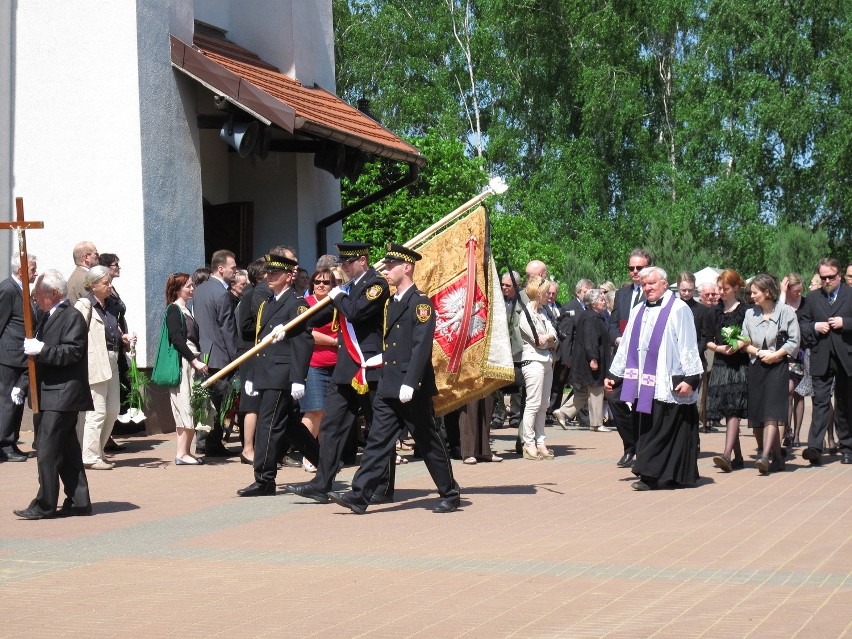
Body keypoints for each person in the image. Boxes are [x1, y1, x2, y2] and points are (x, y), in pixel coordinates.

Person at [328, 244, 461, 514]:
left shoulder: (420, 303)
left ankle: (450, 492)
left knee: (427, 440)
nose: (386, 271)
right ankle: (360, 495)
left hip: (411, 388)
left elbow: (421, 347)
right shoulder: (390, 302)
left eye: (391, 267)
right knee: (377, 441)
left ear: (407, 268)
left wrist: (410, 383)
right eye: (385, 267)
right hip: (389, 383)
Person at [284, 242, 393, 504]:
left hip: (369, 367)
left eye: (348, 262)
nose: (344, 267)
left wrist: (337, 295)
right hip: (346, 367)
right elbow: (320, 315)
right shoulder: (348, 289)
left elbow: (354, 312)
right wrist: (290, 326)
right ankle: (323, 482)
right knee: (332, 425)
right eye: (342, 263)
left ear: (363, 260)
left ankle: (383, 487)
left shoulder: (377, 285)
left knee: (378, 429)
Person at [605, 266, 703, 491]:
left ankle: (652, 475)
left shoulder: (679, 309)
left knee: (666, 429)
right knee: (648, 427)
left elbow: (688, 344)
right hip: (644, 382)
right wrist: (614, 374)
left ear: (664, 284)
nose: (647, 288)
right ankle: (663, 474)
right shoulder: (639, 309)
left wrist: (691, 378)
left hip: (669, 381)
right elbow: (627, 344)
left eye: (652, 283)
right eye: (644, 284)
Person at [13, 270, 93, 519]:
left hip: (63, 394)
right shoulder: (48, 317)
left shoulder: (72, 316)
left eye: (38, 293)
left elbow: (72, 352)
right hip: (50, 394)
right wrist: (23, 384)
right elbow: (36, 360)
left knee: (46, 449)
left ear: (54, 293)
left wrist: (43, 349)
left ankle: (45, 503)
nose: (35, 298)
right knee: (67, 449)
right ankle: (79, 500)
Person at [237, 251, 317, 496]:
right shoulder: (267, 304)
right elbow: (260, 344)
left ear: (288, 276)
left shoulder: (296, 304)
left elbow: (304, 342)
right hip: (266, 373)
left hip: (282, 375)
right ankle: (326, 463)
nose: (269, 276)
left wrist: (297, 378)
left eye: (275, 273)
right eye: (268, 272)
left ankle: (264, 479)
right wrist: (252, 375)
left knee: (268, 426)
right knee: (290, 426)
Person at [738, 274, 800, 474]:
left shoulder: (786, 312)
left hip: (778, 367)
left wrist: (776, 355)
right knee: (758, 414)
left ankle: (765, 456)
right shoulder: (750, 314)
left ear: (767, 292)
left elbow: (794, 341)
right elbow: (743, 340)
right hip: (757, 367)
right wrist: (757, 352)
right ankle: (779, 458)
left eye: (755, 292)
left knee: (772, 412)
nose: (751, 296)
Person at [75, 266, 131, 470]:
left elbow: (112, 328)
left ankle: (97, 450)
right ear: (93, 285)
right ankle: (89, 455)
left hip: (113, 358)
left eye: (110, 282)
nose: (110, 286)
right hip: (94, 361)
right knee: (97, 410)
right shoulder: (84, 305)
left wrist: (123, 337)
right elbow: (76, 334)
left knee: (113, 409)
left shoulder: (110, 305)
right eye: (105, 283)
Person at [799, 258, 852, 466]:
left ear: (839, 276)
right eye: (823, 278)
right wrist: (815, 327)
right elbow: (803, 324)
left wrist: (845, 323)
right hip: (821, 356)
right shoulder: (812, 298)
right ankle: (815, 447)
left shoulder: (850, 294)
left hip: (846, 357)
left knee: (845, 404)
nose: (827, 281)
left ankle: (847, 447)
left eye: (831, 277)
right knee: (820, 401)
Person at [606, 248, 653, 468]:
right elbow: (613, 323)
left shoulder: (653, 292)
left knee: (642, 403)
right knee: (615, 398)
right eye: (631, 268)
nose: (634, 272)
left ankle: (644, 449)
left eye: (639, 268)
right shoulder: (622, 294)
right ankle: (629, 445)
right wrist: (618, 340)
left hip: (646, 360)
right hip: (624, 358)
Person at [192, 250, 238, 457]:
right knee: (219, 402)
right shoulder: (222, 294)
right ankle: (213, 443)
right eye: (232, 268)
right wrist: (235, 357)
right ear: (221, 268)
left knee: (205, 402)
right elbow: (227, 329)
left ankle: (203, 441)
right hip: (220, 356)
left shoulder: (199, 290)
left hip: (203, 353)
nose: (235, 272)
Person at [163, 273, 212, 465]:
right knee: (184, 404)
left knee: (192, 404)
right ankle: (181, 453)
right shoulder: (174, 310)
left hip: (191, 361)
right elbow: (177, 340)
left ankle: (185, 452)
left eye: (192, 286)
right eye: (188, 286)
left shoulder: (186, 309)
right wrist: (195, 361)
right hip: (184, 362)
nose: (192, 289)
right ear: (177, 289)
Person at [706, 269, 749, 472]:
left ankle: (726, 455)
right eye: (720, 288)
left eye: (726, 288)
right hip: (721, 364)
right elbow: (707, 339)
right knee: (727, 410)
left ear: (736, 288)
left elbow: (749, 335)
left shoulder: (745, 310)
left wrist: (738, 345)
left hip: (738, 366)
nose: (721, 292)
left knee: (734, 410)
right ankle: (738, 456)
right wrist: (719, 348)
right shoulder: (713, 311)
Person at [300, 268, 339, 473]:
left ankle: (324, 456)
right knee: (314, 410)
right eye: (317, 282)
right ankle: (308, 455)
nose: (321, 285)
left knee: (329, 414)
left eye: (326, 282)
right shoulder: (307, 305)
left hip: (336, 364)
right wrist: (334, 341)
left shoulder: (337, 303)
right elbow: (309, 332)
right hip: (313, 364)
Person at [0, 252, 37, 462]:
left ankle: (10, 441)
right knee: (6, 400)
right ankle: (4, 444)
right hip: (8, 356)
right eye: (32, 269)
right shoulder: (7, 288)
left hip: (22, 355)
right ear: (21, 270)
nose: (35, 273)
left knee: (17, 401)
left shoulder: (23, 289)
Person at [517, 275, 559, 460]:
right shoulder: (525, 315)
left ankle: (541, 441)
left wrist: (549, 338)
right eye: (546, 292)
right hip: (533, 361)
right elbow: (537, 342)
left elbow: (555, 338)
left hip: (547, 361)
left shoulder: (543, 313)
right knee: (533, 403)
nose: (549, 295)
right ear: (538, 293)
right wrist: (548, 339)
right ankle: (529, 443)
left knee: (544, 403)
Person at [560, 289, 612, 434]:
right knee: (596, 390)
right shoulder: (591, 318)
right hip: (591, 362)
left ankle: (563, 412)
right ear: (594, 303)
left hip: (587, 361)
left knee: (583, 392)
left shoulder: (590, 315)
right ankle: (596, 423)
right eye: (601, 300)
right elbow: (591, 340)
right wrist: (593, 358)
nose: (604, 302)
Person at [235, 258, 268, 465]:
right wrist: (266, 323)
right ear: (260, 277)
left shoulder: (261, 294)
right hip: (249, 352)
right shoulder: (250, 295)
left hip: (260, 353)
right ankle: (247, 449)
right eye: (269, 274)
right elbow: (245, 326)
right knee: (251, 402)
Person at [779, 274, 811, 447]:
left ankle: (797, 434)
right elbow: (776, 319)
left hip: (801, 352)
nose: (799, 294)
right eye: (795, 291)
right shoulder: (782, 303)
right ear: (788, 289)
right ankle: (787, 430)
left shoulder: (806, 304)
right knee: (788, 391)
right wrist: (782, 294)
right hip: (784, 353)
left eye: (801, 290)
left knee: (798, 393)